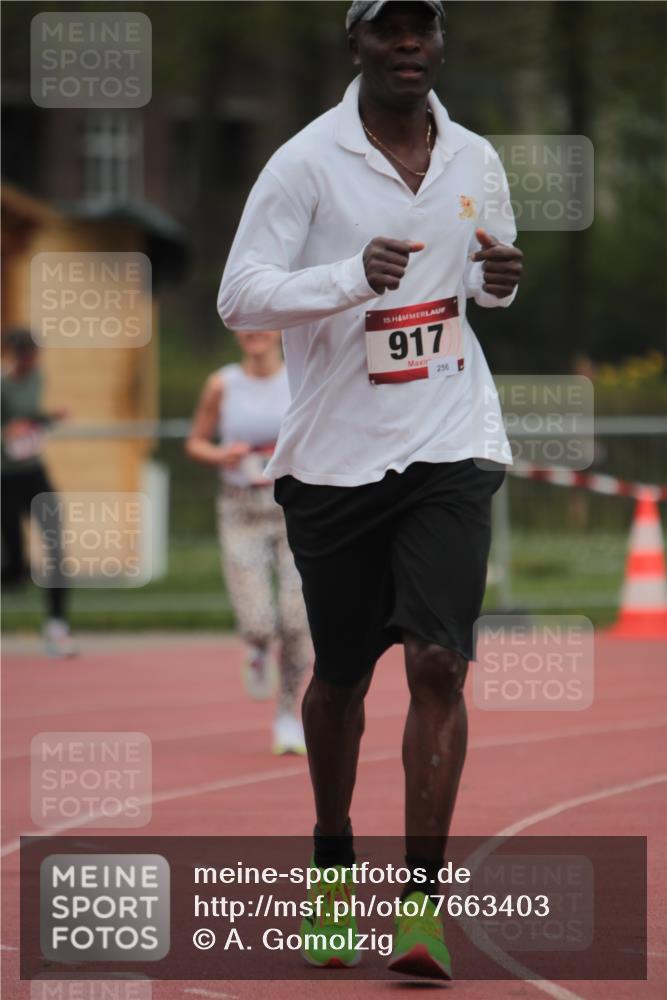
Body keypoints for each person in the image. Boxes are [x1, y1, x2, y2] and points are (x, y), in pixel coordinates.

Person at [218, 0, 522, 979]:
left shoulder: (475, 158)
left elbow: (485, 281)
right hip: (336, 458)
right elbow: (238, 294)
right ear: (355, 42)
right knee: (342, 676)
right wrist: (349, 276)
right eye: (387, 28)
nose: (406, 43)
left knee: (438, 663)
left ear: (439, 43)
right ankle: (332, 862)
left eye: (420, 27)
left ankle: (422, 909)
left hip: (449, 437)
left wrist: (500, 280)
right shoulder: (304, 163)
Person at [186, 329, 311, 755]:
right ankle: (257, 648)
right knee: (258, 621)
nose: (254, 332)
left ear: (279, 329)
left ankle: (287, 714)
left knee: (297, 621)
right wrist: (219, 455)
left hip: (293, 509)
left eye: (263, 323)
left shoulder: (300, 376)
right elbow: (196, 442)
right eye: (246, 324)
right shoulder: (223, 384)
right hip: (241, 510)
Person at [1, 329, 75, 658]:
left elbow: (31, 419)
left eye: (34, 355)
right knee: (15, 568)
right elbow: (12, 425)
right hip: (6, 478)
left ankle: (58, 625)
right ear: (14, 355)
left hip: (34, 473)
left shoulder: (38, 378)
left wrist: (48, 419)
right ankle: (15, 571)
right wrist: (7, 431)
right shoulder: (3, 385)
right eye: (25, 356)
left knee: (56, 548)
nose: (30, 362)